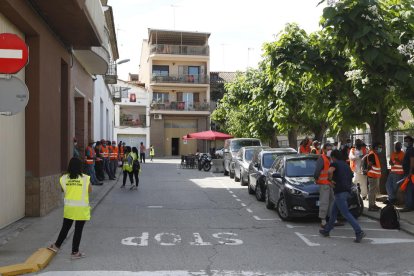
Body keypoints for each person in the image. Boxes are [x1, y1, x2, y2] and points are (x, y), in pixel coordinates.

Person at [47, 157, 91, 258]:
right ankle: (75, 252)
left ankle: (56, 245)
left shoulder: (63, 178)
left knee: (65, 228)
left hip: (69, 208)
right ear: (80, 167)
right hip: (81, 209)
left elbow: (64, 189)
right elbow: (89, 190)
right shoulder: (85, 178)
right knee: (78, 230)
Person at [319, 150, 365, 243]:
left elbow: (329, 171)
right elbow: (351, 177)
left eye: (331, 158)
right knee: (333, 212)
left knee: (345, 213)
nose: (331, 159)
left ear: (334, 157)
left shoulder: (335, 164)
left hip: (339, 191)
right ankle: (327, 230)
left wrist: (330, 180)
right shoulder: (346, 165)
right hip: (346, 191)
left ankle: (359, 231)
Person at [314, 143, 334, 227]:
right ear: (324, 150)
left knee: (332, 201)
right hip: (324, 184)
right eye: (328, 149)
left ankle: (332, 218)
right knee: (324, 202)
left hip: (331, 184)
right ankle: (323, 220)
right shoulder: (322, 158)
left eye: (330, 149)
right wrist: (316, 179)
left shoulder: (331, 159)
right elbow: (317, 172)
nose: (329, 151)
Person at [366, 142, 383, 211]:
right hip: (373, 176)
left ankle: (373, 204)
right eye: (379, 147)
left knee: (373, 191)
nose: (380, 148)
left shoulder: (373, 154)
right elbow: (369, 164)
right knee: (372, 191)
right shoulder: (372, 154)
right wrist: (367, 170)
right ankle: (371, 206)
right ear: (375, 147)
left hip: (375, 176)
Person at [401, 136, 414, 212]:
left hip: (410, 174)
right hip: (409, 173)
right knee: (411, 190)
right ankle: (411, 206)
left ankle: (408, 206)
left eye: (407, 141)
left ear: (411, 142)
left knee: (408, 190)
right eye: (405, 141)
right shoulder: (408, 150)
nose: (405, 142)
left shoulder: (411, 150)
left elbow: (412, 161)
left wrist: (410, 172)